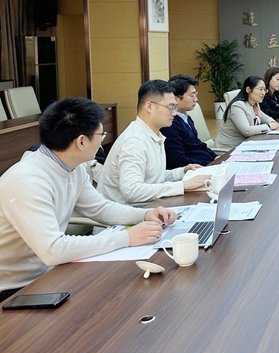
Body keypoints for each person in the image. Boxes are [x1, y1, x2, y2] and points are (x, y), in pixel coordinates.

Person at [0, 98, 176, 300]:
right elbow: (53, 249)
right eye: (101, 135)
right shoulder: (28, 181)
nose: (102, 141)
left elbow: (100, 208)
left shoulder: (72, 167)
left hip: (48, 274)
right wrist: (126, 238)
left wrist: (144, 215)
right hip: (13, 289)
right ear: (82, 141)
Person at [97, 80, 210, 204]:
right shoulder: (134, 141)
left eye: (175, 107)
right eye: (170, 107)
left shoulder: (153, 133)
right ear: (149, 106)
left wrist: (182, 171)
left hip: (147, 206)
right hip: (126, 212)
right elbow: (132, 191)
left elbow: (153, 177)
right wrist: (182, 186)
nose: (174, 113)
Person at [161, 74, 217, 169]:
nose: (196, 99)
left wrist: (215, 157)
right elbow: (178, 160)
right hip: (194, 170)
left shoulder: (186, 117)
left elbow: (198, 144)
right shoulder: (170, 124)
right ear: (176, 98)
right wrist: (209, 164)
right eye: (192, 96)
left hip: (206, 164)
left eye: (196, 94)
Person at [215, 75, 279, 152]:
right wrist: (269, 126)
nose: (263, 93)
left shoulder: (254, 103)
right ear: (248, 89)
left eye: (264, 90)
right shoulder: (237, 106)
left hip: (245, 145)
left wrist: (274, 123)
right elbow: (247, 131)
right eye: (260, 89)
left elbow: (265, 117)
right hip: (229, 149)